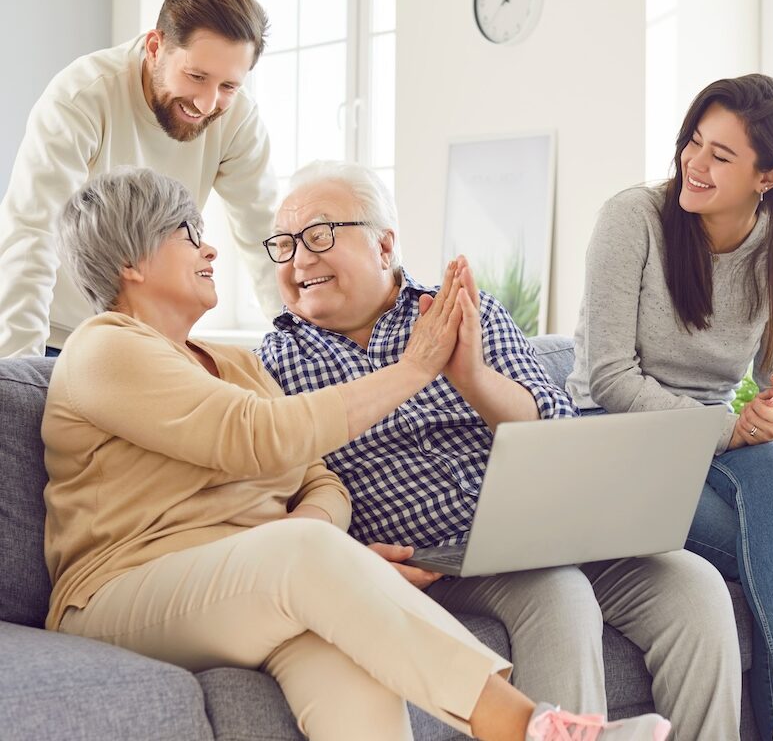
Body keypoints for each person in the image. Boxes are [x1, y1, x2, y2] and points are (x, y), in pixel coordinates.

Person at [43, 167, 673, 741]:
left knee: (355, 672)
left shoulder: (232, 363)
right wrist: (415, 368)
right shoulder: (104, 348)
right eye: (188, 234)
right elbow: (253, 434)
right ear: (132, 260)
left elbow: (320, 478)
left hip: (251, 584)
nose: (210, 249)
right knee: (299, 557)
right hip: (120, 594)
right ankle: (536, 729)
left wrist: (314, 534)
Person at [256, 159, 743, 740]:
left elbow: (556, 428)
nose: (299, 260)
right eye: (283, 246)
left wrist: (475, 380)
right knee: (558, 592)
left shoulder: (466, 312)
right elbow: (278, 496)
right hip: (436, 558)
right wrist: (347, 557)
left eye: (318, 236)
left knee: (694, 586)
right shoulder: (274, 362)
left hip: (548, 527)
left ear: (384, 246)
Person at [566, 74, 773, 741]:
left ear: (768, 177)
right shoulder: (634, 220)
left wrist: (772, 420)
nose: (694, 162)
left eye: (721, 155)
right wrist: (730, 428)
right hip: (614, 436)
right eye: (694, 142)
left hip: (716, 447)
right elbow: (609, 379)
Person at [0, 0, 280, 359]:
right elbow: (31, 234)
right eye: (196, 76)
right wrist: (20, 369)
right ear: (155, 47)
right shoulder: (82, 96)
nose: (206, 103)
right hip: (54, 336)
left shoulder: (238, 120)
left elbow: (265, 237)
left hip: (147, 342)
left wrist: (303, 340)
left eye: (229, 86)